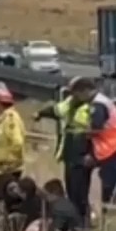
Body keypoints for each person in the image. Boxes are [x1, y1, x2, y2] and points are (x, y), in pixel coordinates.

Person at [69, 77, 116, 219]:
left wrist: (79, 133)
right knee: (109, 185)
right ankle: (108, 216)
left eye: (77, 95)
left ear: (84, 91)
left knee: (110, 187)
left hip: (115, 149)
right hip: (112, 149)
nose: (77, 98)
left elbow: (96, 129)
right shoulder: (101, 101)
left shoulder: (98, 105)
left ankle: (110, 218)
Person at [36, 82, 93, 222]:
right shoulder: (70, 103)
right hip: (71, 151)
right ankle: (77, 218)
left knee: (79, 190)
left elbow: (98, 133)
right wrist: (40, 113)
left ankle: (81, 221)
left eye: (75, 93)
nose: (72, 95)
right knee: (72, 188)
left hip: (82, 149)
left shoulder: (92, 108)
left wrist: (91, 154)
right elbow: (56, 110)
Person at [18, 179, 85, 231]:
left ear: (53, 194)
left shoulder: (58, 208)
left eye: (47, 195)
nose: (45, 198)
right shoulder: (64, 203)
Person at [0, 85, 26, 212]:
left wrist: (10, 162)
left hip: (8, 169)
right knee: (0, 200)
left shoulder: (10, 119)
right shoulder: (4, 119)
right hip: (2, 169)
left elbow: (18, 142)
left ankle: (5, 228)